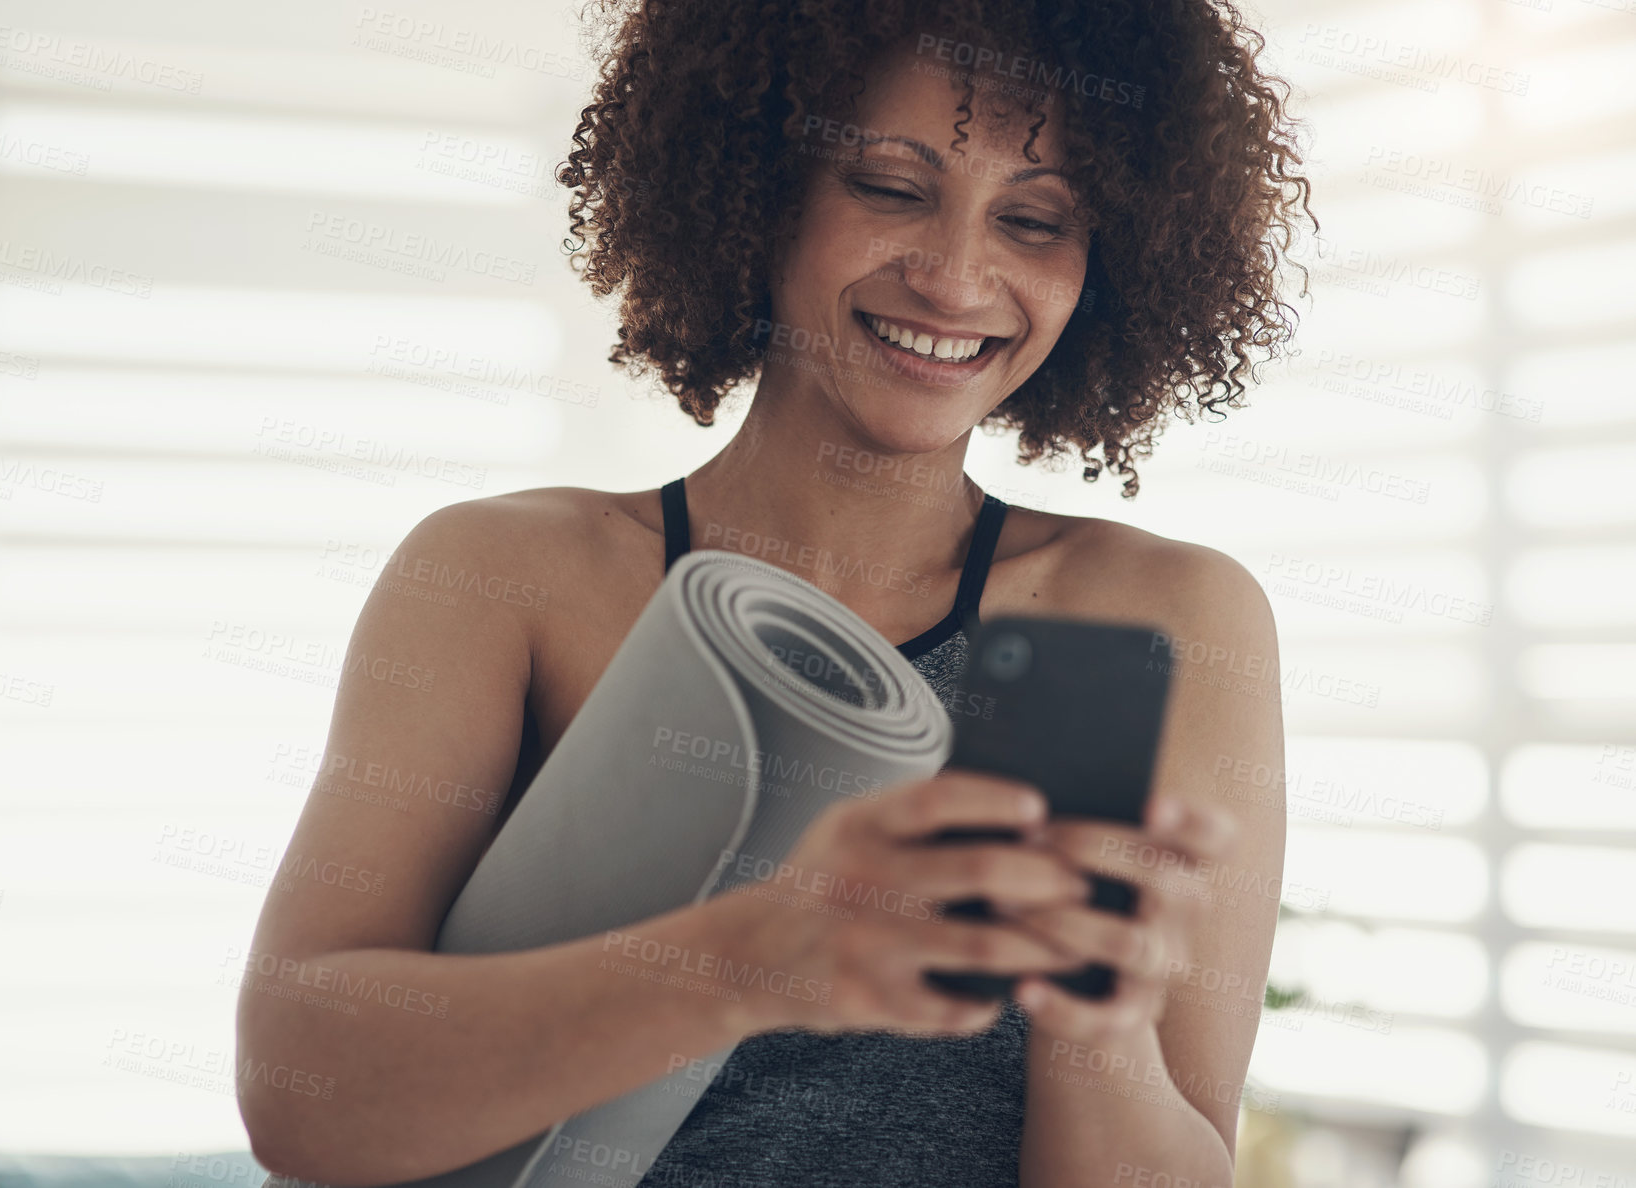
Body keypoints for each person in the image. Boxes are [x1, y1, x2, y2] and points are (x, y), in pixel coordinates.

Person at [236, 1, 1312, 1184]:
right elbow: (305, 1101)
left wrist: (1090, 1013)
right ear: (756, 188)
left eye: (1033, 220)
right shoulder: (507, 576)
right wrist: (762, 952)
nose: (956, 278)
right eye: (889, 189)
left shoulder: (1149, 619)